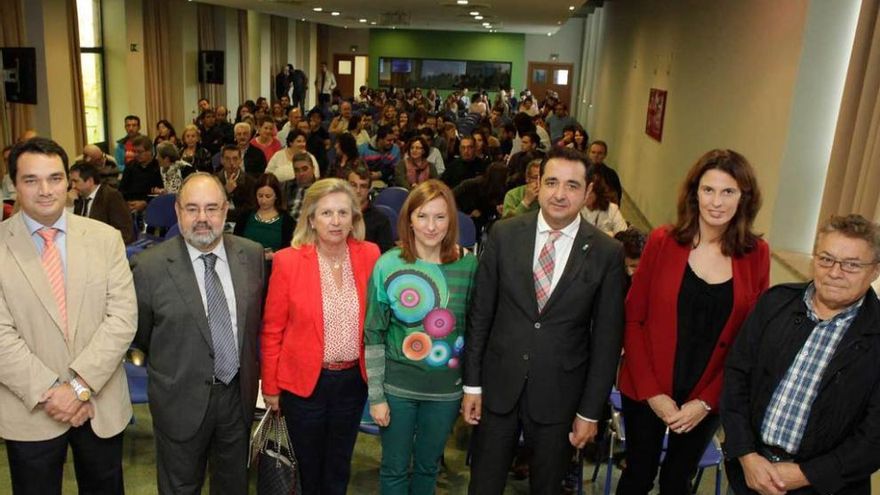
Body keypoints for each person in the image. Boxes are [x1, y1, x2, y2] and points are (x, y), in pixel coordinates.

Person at [462, 146, 626, 493]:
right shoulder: (505, 234)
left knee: (548, 487)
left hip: (561, 396)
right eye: (551, 182)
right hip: (498, 387)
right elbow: (480, 314)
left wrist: (589, 411)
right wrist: (472, 384)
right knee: (483, 485)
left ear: (587, 192)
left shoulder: (606, 253)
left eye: (571, 185)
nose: (560, 194)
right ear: (537, 184)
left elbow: (607, 341)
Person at [616, 149, 769, 494]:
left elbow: (750, 340)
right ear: (694, 193)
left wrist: (706, 402)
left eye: (728, 191)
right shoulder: (662, 241)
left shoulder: (756, 254)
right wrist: (653, 393)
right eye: (708, 190)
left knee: (677, 480)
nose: (716, 202)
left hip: (708, 392)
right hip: (647, 383)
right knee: (637, 474)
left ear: (744, 198)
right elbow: (634, 318)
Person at [0, 137, 137, 493]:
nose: (45, 190)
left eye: (55, 178)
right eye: (31, 180)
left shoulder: (105, 239)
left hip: (99, 404)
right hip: (30, 408)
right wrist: (54, 393)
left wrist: (79, 387)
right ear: (14, 183)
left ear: (69, 182)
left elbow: (122, 319)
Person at [722, 215, 880, 495]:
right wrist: (746, 455)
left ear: (875, 271)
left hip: (825, 487)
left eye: (852, 265)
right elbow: (736, 377)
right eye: (826, 259)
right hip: (751, 474)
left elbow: (874, 438)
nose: (834, 272)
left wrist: (806, 474)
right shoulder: (775, 303)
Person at [131, 173, 266, 494]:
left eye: (211, 208)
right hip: (179, 399)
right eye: (192, 209)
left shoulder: (252, 255)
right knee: (180, 487)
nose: (202, 218)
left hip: (237, 399)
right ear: (178, 212)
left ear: (226, 210)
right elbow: (140, 337)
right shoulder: (148, 267)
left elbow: (255, 327)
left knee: (233, 486)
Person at [261, 178, 381, 495]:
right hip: (304, 385)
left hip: (352, 382)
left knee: (340, 465)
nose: (336, 221)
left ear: (354, 217)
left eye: (343, 212)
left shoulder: (370, 255)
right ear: (311, 219)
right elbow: (272, 329)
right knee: (309, 469)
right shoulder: (288, 261)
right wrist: (270, 387)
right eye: (327, 213)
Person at [365, 179, 478, 493]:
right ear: (409, 219)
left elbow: (474, 331)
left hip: (445, 393)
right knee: (394, 471)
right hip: (397, 389)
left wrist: (471, 388)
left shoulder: (468, 266)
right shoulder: (388, 264)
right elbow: (374, 332)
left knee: (428, 471)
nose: (431, 226)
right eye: (423, 216)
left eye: (440, 217)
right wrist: (376, 396)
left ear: (451, 221)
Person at [69, 161, 135, 244]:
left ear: (90, 181)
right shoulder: (80, 197)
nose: (73, 186)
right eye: (71, 182)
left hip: (106, 247)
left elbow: (125, 233)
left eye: (76, 181)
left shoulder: (111, 196)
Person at [233, 173, 295, 260]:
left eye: (268, 196)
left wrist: (274, 256)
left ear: (276, 196)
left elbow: (290, 251)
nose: (263, 200)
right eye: (260, 196)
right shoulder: (245, 215)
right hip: (246, 264)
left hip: (275, 266)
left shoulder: (287, 220)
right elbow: (235, 242)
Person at [347, 163, 393, 253]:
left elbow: (384, 256)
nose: (358, 191)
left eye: (363, 186)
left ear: (369, 189)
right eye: (353, 185)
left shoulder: (381, 220)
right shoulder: (336, 216)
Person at [119, 134, 164, 213]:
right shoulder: (130, 166)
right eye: (134, 151)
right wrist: (127, 203)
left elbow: (161, 192)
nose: (136, 155)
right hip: (130, 206)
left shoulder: (159, 167)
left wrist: (146, 203)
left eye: (139, 152)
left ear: (150, 151)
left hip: (152, 206)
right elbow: (122, 189)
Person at [587, 140, 623, 204]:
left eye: (600, 153)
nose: (596, 155)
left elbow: (616, 197)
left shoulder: (611, 174)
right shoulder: (581, 171)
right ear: (589, 153)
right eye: (593, 152)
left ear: (605, 155)